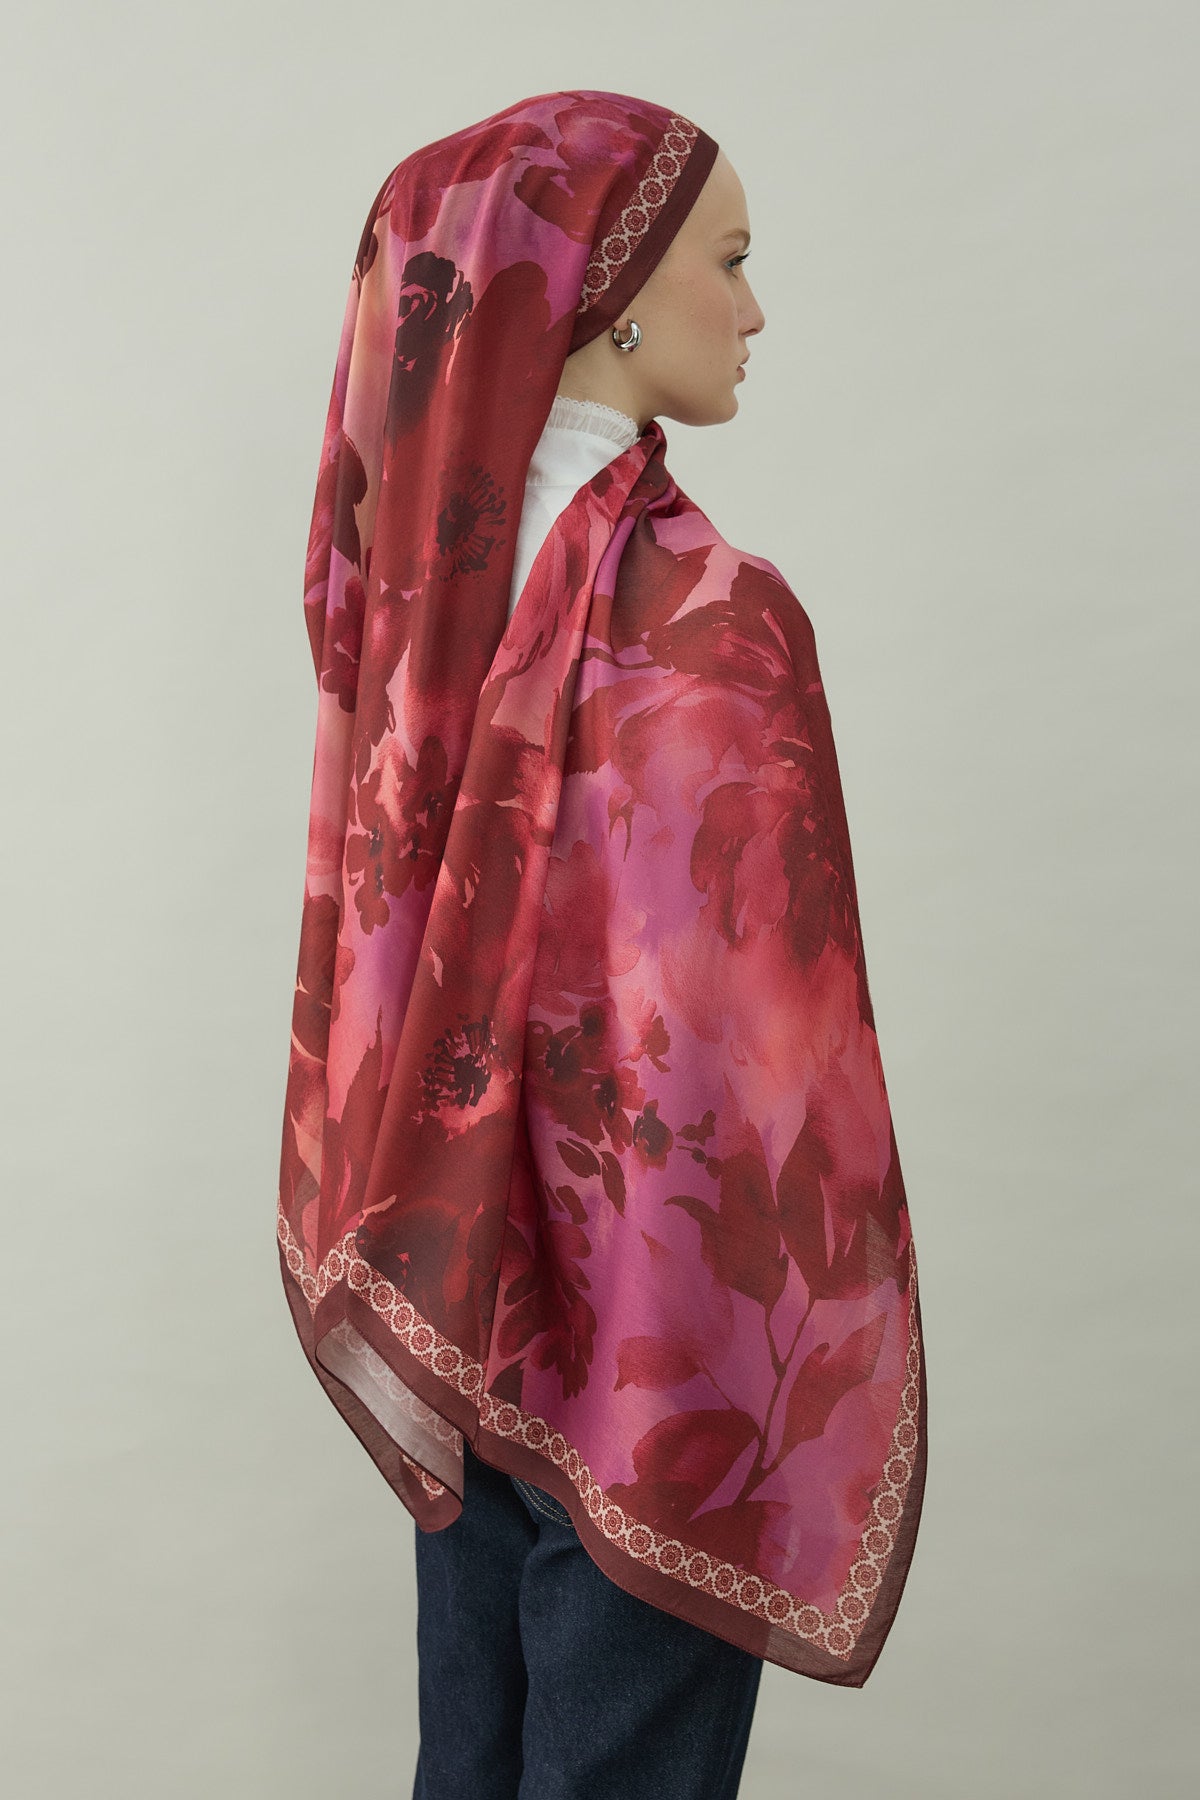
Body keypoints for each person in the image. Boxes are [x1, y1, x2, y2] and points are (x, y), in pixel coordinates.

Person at [277, 88, 927, 1800]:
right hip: (663, 1355)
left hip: (465, 1307)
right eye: (731, 259)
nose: (756, 309)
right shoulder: (716, 617)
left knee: (474, 1769)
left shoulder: (415, 620)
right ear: (609, 295)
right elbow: (759, 1074)